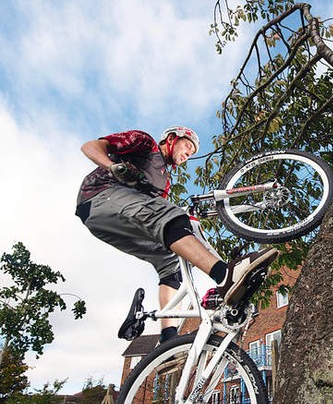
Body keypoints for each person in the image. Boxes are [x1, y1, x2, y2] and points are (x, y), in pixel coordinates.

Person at [75, 127, 277, 342]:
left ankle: (168, 337)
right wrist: (113, 166)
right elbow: (90, 146)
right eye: (187, 146)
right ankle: (223, 275)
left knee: (170, 260)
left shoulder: (165, 181)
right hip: (100, 196)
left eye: (191, 153)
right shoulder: (144, 143)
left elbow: (156, 214)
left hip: (109, 223)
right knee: (172, 215)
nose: (188, 154)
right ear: (171, 139)